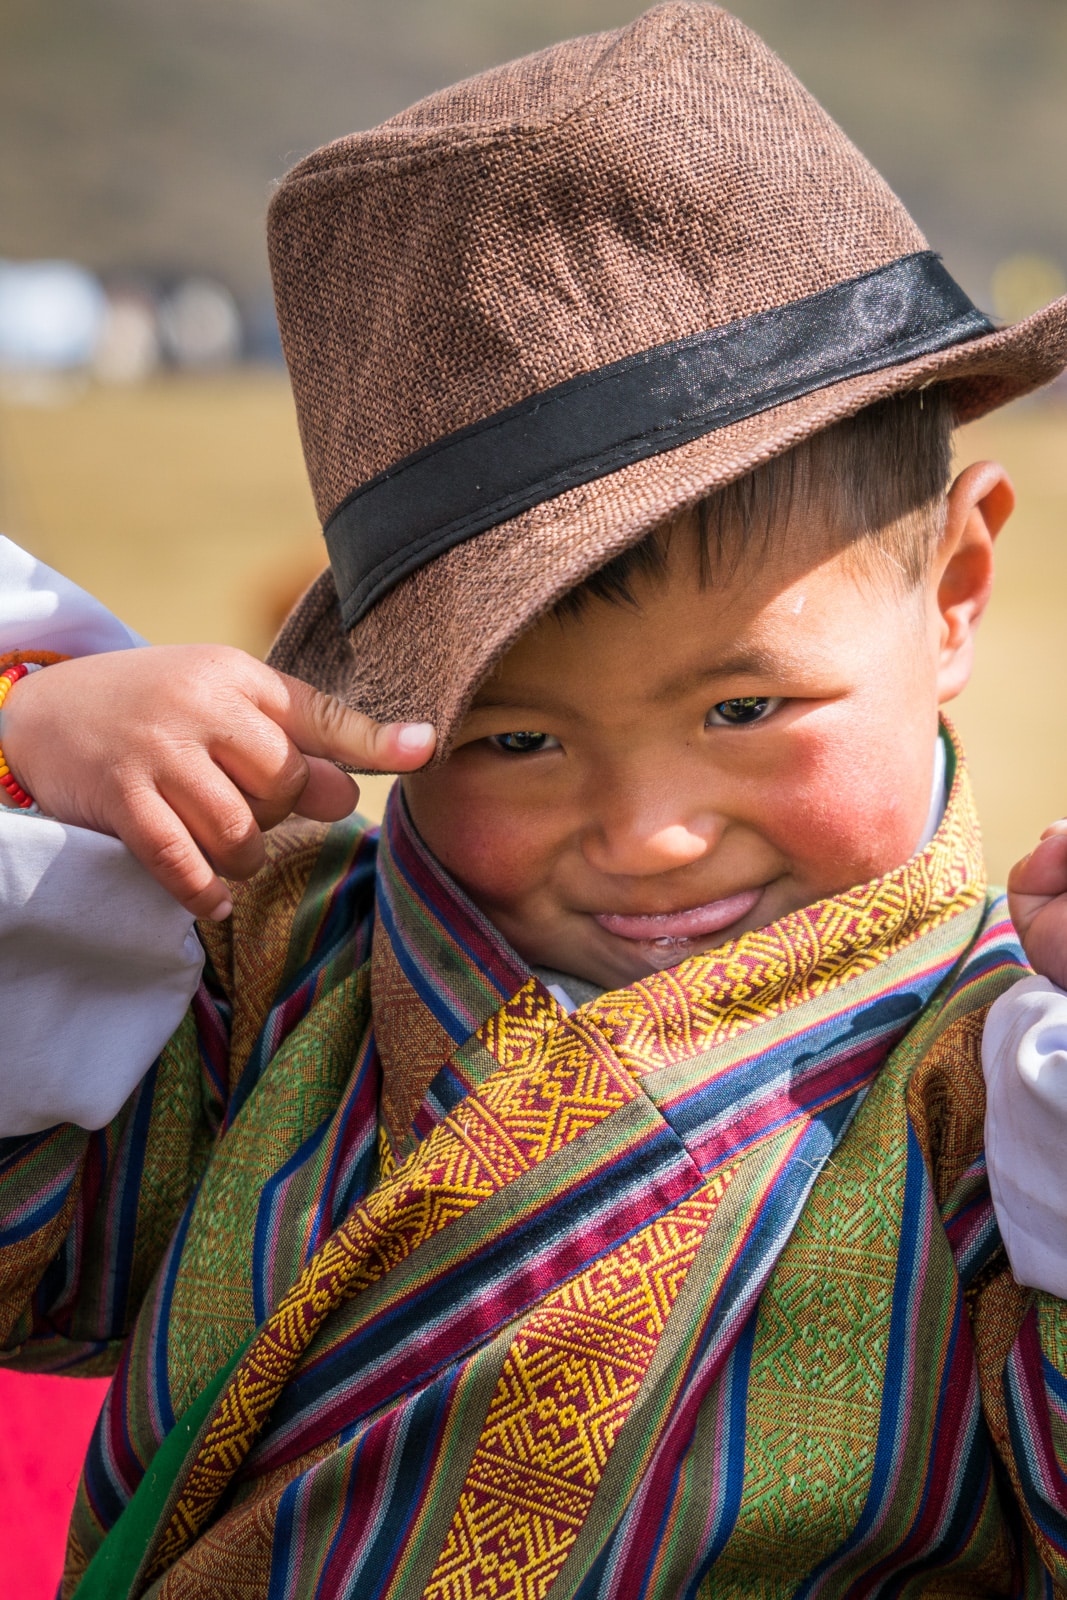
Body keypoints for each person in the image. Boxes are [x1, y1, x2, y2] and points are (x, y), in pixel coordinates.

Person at [2, 5, 1067, 1594]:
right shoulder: (269, 978)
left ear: (959, 586)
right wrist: (32, 748)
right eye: (514, 741)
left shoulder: (998, 1107)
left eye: (746, 706)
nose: (647, 833)